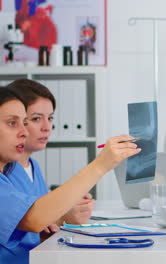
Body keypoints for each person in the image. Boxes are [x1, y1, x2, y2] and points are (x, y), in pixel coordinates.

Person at [0, 87, 140, 263]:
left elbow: (29, 224)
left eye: (24, 122)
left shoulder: (16, 170)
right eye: (12, 123)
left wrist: (54, 221)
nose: (25, 132)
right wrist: (101, 164)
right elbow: (34, 219)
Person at [7, 79, 95, 225]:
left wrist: (67, 202)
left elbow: (42, 217)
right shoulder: (5, 172)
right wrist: (62, 218)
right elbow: (23, 228)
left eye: (50, 118)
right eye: (36, 119)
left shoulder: (33, 166)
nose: (47, 127)